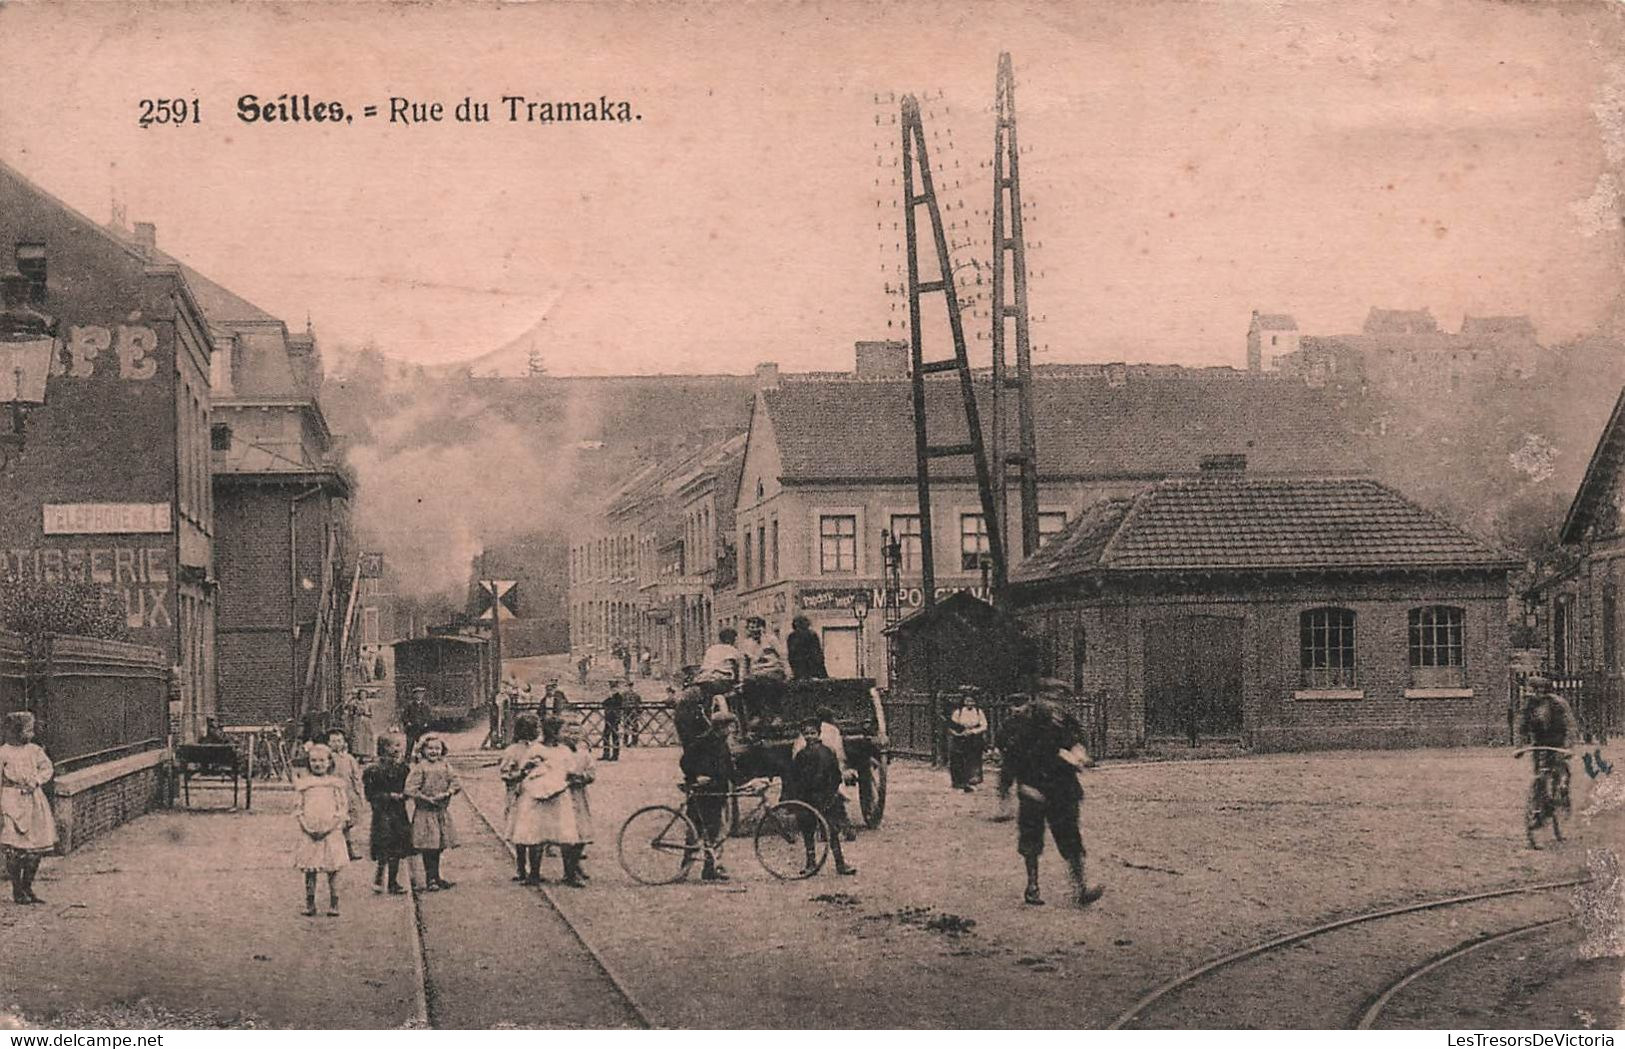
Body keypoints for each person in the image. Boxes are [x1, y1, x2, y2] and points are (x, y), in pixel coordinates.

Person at [999, 696, 1104, 907]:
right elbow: (1011, 758)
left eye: (1059, 699)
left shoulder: (1066, 722)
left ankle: (1081, 888)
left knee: (1071, 837)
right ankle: (1032, 887)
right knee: (1031, 839)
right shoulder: (1023, 727)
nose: (1056, 706)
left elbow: (1077, 741)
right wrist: (1011, 787)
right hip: (1033, 789)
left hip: (1062, 790)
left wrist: (1079, 754)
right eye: (1050, 699)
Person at [511, 718, 591, 886]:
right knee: (535, 835)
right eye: (563, 731)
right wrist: (532, 769)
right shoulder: (536, 749)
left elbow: (572, 771)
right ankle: (534, 874)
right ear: (553, 732)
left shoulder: (565, 751)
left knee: (566, 835)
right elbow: (524, 770)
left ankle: (569, 875)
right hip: (536, 797)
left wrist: (571, 778)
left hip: (560, 797)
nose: (566, 734)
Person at [786, 717, 858, 877]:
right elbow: (794, 777)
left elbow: (835, 775)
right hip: (807, 800)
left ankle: (841, 863)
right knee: (807, 830)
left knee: (832, 831)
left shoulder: (828, 752)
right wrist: (798, 797)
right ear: (803, 736)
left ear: (819, 734)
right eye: (806, 733)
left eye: (813, 733)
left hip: (826, 798)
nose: (810, 736)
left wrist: (831, 793)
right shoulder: (800, 755)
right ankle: (810, 863)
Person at [1, 712, 56, 906]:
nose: (30, 734)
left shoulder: (35, 750)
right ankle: (17, 890)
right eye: (27, 730)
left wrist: (37, 780)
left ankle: (28, 886)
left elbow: (47, 768)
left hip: (33, 801)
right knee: (15, 849)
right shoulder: (3, 753)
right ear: (16, 731)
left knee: (35, 848)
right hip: (11, 802)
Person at [293, 743, 350, 917]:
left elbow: (342, 810)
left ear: (329, 762)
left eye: (321, 761)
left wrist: (329, 827)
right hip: (310, 833)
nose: (317, 764)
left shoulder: (335, 785)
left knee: (332, 869)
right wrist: (306, 827)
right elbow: (298, 808)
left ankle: (334, 903)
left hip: (330, 833)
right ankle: (310, 904)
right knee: (310, 869)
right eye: (313, 761)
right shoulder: (305, 785)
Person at [680, 710, 736, 882]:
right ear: (720, 727)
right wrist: (696, 776)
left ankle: (710, 869)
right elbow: (685, 762)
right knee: (694, 831)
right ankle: (684, 870)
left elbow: (728, 769)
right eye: (729, 726)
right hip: (701, 794)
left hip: (717, 792)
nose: (732, 729)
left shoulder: (723, 743)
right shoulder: (702, 742)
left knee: (716, 832)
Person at [1521, 677, 1578, 834]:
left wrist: (1568, 747)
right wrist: (1520, 747)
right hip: (1539, 744)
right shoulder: (1530, 705)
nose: (1531, 694)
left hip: (1558, 743)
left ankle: (1563, 797)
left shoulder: (1557, 704)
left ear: (1543, 691)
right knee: (1539, 776)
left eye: (1534, 690)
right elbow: (1523, 727)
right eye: (1530, 690)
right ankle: (1539, 807)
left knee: (1561, 772)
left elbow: (1570, 726)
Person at [405, 734, 460, 891]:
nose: (434, 751)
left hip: (440, 812)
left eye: (437, 748)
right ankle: (430, 879)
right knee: (429, 846)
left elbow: (456, 782)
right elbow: (409, 789)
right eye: (430, 748)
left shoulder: (445, 766)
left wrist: (448, 792)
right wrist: (426, 798)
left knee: (439, 846)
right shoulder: (420, 768)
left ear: (442, 750)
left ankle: (437, 876)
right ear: (423, 750)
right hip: (425, 812)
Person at [363, 733, 412, 895]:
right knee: (383, 847)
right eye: (393, 745)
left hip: (398, 813)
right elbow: (370, 795)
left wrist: (406, 795)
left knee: (397, 849)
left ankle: (393, 882)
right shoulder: (373, 770)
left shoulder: (404, 769)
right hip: (382, 813)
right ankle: (378, 876)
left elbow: (409, 788)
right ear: (383, 748)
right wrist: (389, 796)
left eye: (399, 746)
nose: (397, 749)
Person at [498, 714, 543, 882]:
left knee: (536, 835)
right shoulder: (513, 751)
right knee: (520, 835)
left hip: (537, 796)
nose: (538, 731)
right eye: (535, 728)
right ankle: (521, 869)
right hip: (519, 797)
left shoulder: (540, 749)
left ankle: (535, 872)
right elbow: (505, 774)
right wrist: (522, 773)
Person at [740, 616, 790, 728]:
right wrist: (741, 678)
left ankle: (777, 715)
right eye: (751, 627)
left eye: (757, 626)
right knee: (748, 685)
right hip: (757, 672)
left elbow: (782, 655)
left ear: (762, 627)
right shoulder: (746, 643)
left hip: (772, 670)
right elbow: (744, 663)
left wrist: (787, 671)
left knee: (770, 684)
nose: (754, 630)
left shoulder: (771, 639)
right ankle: (755, 715)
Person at [325, 728, 366, 861]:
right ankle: (332, 851)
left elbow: (356, 777)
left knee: (348, 823)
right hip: (332, 795)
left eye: (339, 741)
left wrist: (359, 794)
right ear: (329, 743)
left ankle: (349, 850)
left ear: (344, 742)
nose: (336, 744)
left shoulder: (349, 759)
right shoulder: (327, 758)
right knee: (334, 823)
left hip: (348, 794)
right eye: (333, 741)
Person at [948, 689, 989, 792]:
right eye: (967, 701)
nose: (969, 703)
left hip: (974, 738)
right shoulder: (959, 712)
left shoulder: (979, 712)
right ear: (964, 701)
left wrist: (974, 731)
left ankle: (972, 782)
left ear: (975, 702)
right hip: (960, 738)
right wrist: (959, 733)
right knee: (959, 760)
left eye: (972, 701)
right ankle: (959, 783)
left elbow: (984, 725)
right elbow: (951, 726)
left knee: (973, 760)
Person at [695, 628, 745, 702]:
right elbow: (741, 670)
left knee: (706, 698)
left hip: (705, 680)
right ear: (733, 640)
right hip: (723, 682)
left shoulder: (711, 649)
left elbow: (704, 666)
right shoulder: (734, 650)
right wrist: (741, 681)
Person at [787, 615, 828, 680]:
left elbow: (791, 656)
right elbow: (817, 654)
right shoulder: (811, 635)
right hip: (812, 670)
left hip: (799, 671)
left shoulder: (791, 637)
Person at [402, 687, 432, 759]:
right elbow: (404, 716)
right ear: (414, 695)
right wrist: (408, 722)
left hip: (422, 728)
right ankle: (407, 760)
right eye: (418, 694)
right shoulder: (409, 705)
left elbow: (429, 716)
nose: (419, 695)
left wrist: (426, 723)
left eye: (421, 694)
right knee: (409, 745)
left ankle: (424, 758)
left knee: (423, 744)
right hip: (412, 728)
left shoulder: (426, 706)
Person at [600, 684, 624, 761]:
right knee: (606, 735)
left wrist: (610, 699)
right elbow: (603, 703)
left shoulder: (619, 697)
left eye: (614, 689)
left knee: (615, 736)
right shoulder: (610, 698)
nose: (613, 691)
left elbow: (617, 704)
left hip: (615, 719)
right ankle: (606, 754)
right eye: (612, 689)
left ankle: (615, 755)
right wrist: (609, 698)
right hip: (608, 719)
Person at [623, 681, 644, 748]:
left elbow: (640, 704)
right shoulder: (623, 695)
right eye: (628, 686)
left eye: (631, 686)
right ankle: (625, 742)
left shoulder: (636, 695)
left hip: (634, 714)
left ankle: (634, 742)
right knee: (626, 727)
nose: (630, 688)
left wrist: (639, 713)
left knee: (635, 727)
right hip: (626, 713)